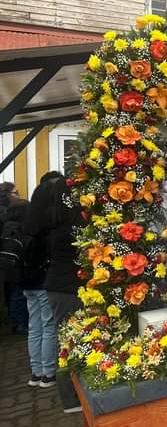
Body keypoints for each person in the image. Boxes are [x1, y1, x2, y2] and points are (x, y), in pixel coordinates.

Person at [41, 176, 83, 412]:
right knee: (67, 342)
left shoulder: (51, 220)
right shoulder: (71, 225)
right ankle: (70, 398)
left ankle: (71, 394)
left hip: (56, 286)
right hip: (68, 289)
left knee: (63, 337)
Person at [23, 175, 62, 389]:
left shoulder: (28, 220)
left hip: (28, 281)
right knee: (48, 326)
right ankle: (49, 373)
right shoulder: (50, 223)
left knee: (34, 326)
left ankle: (36, 372)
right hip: (44, 281)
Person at [1, 181, 29, 334]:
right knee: (17, 294)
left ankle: (15, 321)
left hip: (8, 263)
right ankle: (18, 322)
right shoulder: (10, 220)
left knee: (13, 293)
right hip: (13, 263)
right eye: (15, 192)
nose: (18, 195)